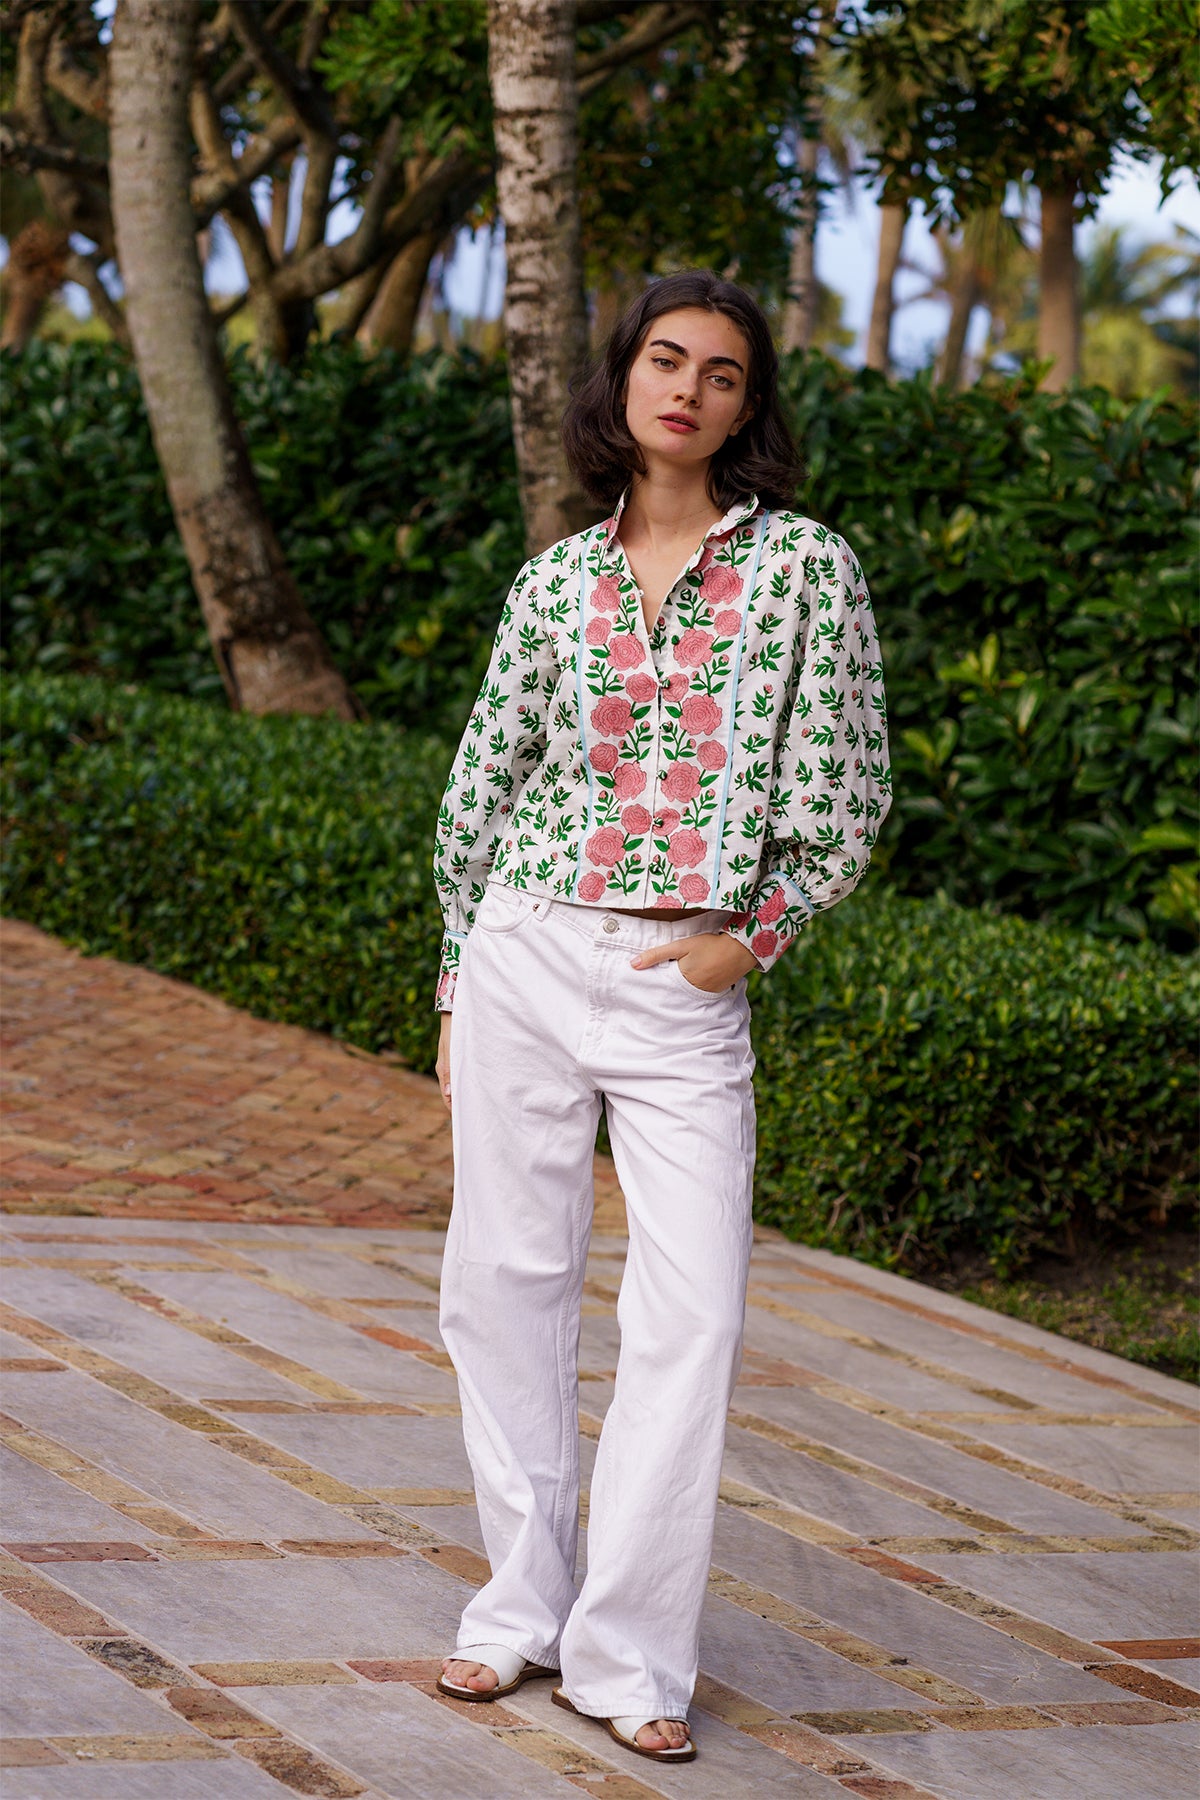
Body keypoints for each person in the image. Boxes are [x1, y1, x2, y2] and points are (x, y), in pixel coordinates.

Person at [431, 268, 892, 1764]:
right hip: (526, 947)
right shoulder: (556, 580)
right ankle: (519, 1607)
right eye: (666, 360)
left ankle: (628, 1656)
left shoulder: (807, 570)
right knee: (501, 1284)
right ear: (623, 379)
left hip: (678, 977)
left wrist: (745, 943)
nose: (687, 389)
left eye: (722, 373)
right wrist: (457, 973)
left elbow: (848, 791)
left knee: (690, 1315)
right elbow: (487, 779)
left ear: (748, 408)